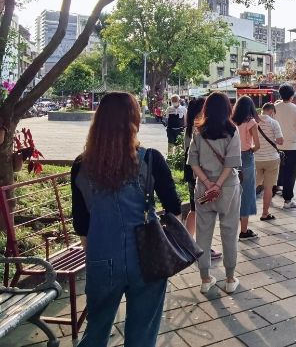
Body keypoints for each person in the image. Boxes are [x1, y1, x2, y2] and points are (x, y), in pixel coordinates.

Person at [72, 92, 181, 347]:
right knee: (142, 335)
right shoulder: (151, 159)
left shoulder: (81, 165)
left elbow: (82, 224)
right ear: (135, 120)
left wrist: (97, 256)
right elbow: (174, 207)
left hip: (101, 257)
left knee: (96, 331)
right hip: (148, 259)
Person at [187, 92, 241, 294]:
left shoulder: (198, 132)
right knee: (229, 233)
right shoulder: (232, 131)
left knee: (203, 234)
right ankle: (229, 278)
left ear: (206, 109)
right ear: (228, 108)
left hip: (203, 189)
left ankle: (205, 279)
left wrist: (208, 182)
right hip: (227, 189)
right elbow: (231, 162)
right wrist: (218, 184)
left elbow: (193, 162)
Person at [183, 98, 222, 259]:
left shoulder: (190, 125)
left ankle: (186, 243)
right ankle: (203, 249)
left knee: (195, 209)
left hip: (191, 170)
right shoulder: (200, 127)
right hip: (200, 172)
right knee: (204, 211)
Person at [231, 96, 260, 240]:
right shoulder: (251, 122)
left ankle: (232, 226)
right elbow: (258, 145)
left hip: (232, 157)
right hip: (246, 157)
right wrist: (249, 150)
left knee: (233, 191)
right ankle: (244, 230)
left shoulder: (231, 120)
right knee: (247, 193)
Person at [274, 84, 296, 209]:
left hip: (276, 147)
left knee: (276, 172)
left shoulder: (274, 108)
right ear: (292, 96)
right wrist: (295, 130)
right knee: (290, 174)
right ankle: (288, 201)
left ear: (280, 95)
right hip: (292, 147)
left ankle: (270, 195)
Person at [255, 103, 284, 220]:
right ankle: (265, 214)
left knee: (251, 187)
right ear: (272, 111)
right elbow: (280, 141)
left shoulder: (253, 121)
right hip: (271, 159)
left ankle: (242, 212)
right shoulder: (274, 123)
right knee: (268, 188)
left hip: (256, 158)